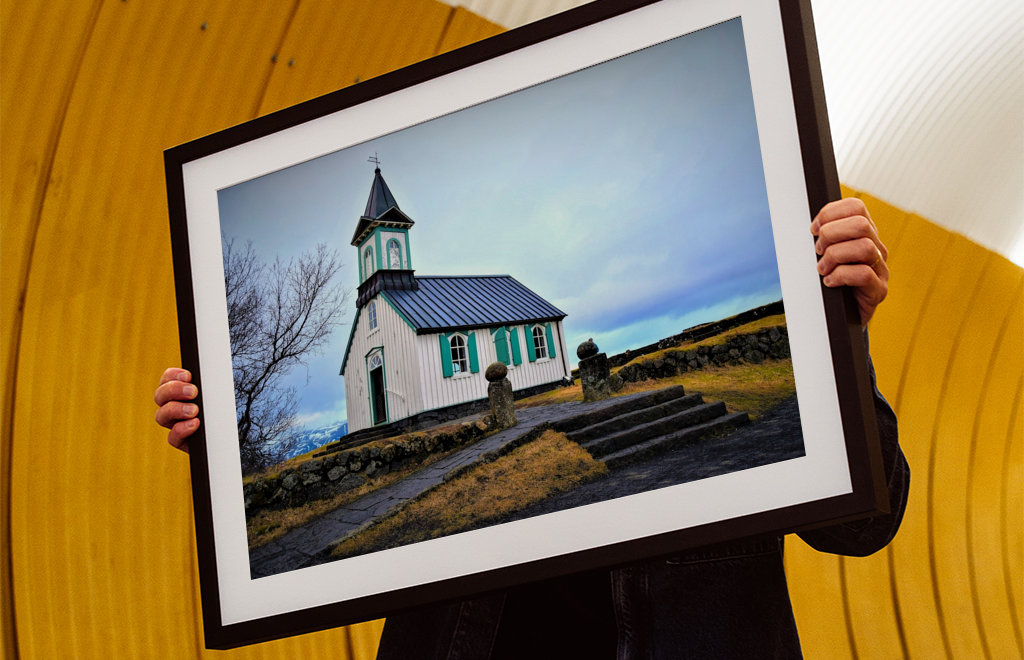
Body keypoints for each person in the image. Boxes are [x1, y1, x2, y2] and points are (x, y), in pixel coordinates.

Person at [155, 198, 908, 659]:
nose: (383, 246)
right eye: (376, 239)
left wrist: (839, 334)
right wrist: (225, 460)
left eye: (388, 235)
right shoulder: (367, 327)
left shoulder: (810, 359)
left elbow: (864, 525)